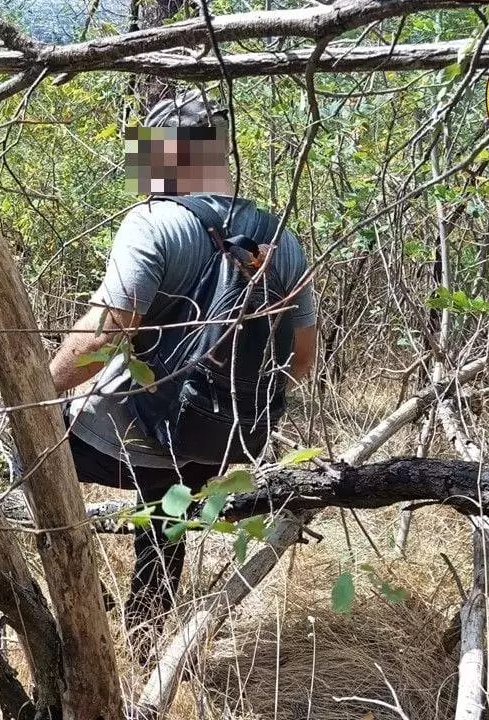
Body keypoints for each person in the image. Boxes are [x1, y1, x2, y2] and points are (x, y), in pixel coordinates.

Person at [48, 90, 318, 657]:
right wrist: (231, 398)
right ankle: (147, 649)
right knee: (165, 524)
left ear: (162, 154)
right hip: (223, 438)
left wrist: (38, 388)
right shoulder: (284, 238)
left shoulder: (154, 222)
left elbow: (102, 333)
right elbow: (303, 359)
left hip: (128, 432)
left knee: (35, 454)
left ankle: (81, 606)